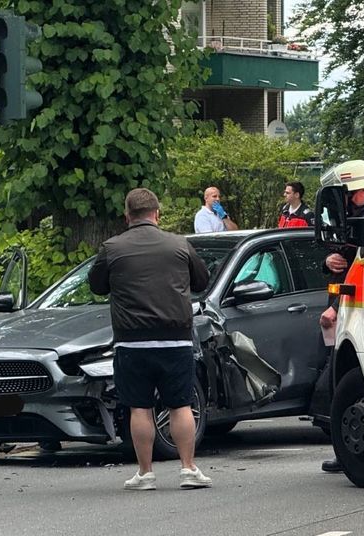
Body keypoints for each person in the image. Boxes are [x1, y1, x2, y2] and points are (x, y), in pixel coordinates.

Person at [89, 188, 213, 490]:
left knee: (139, 408)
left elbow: (97, 285)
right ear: (157, 213)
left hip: (131, 342)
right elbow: (202, 281)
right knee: (180, 405)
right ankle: (188, 469)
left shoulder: (112, 247)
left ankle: (145, 473)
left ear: (127, 215)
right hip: (176, 339)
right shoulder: (179, 244)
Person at [315, 160, 364, 473]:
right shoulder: (357, 220)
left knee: (344, 384)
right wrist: (329, 261)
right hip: (348, 308)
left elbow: (355, 272)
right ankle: (344, 451)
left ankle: (347, 452)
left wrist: (335, 307)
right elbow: (342, 263)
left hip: (353, 310)